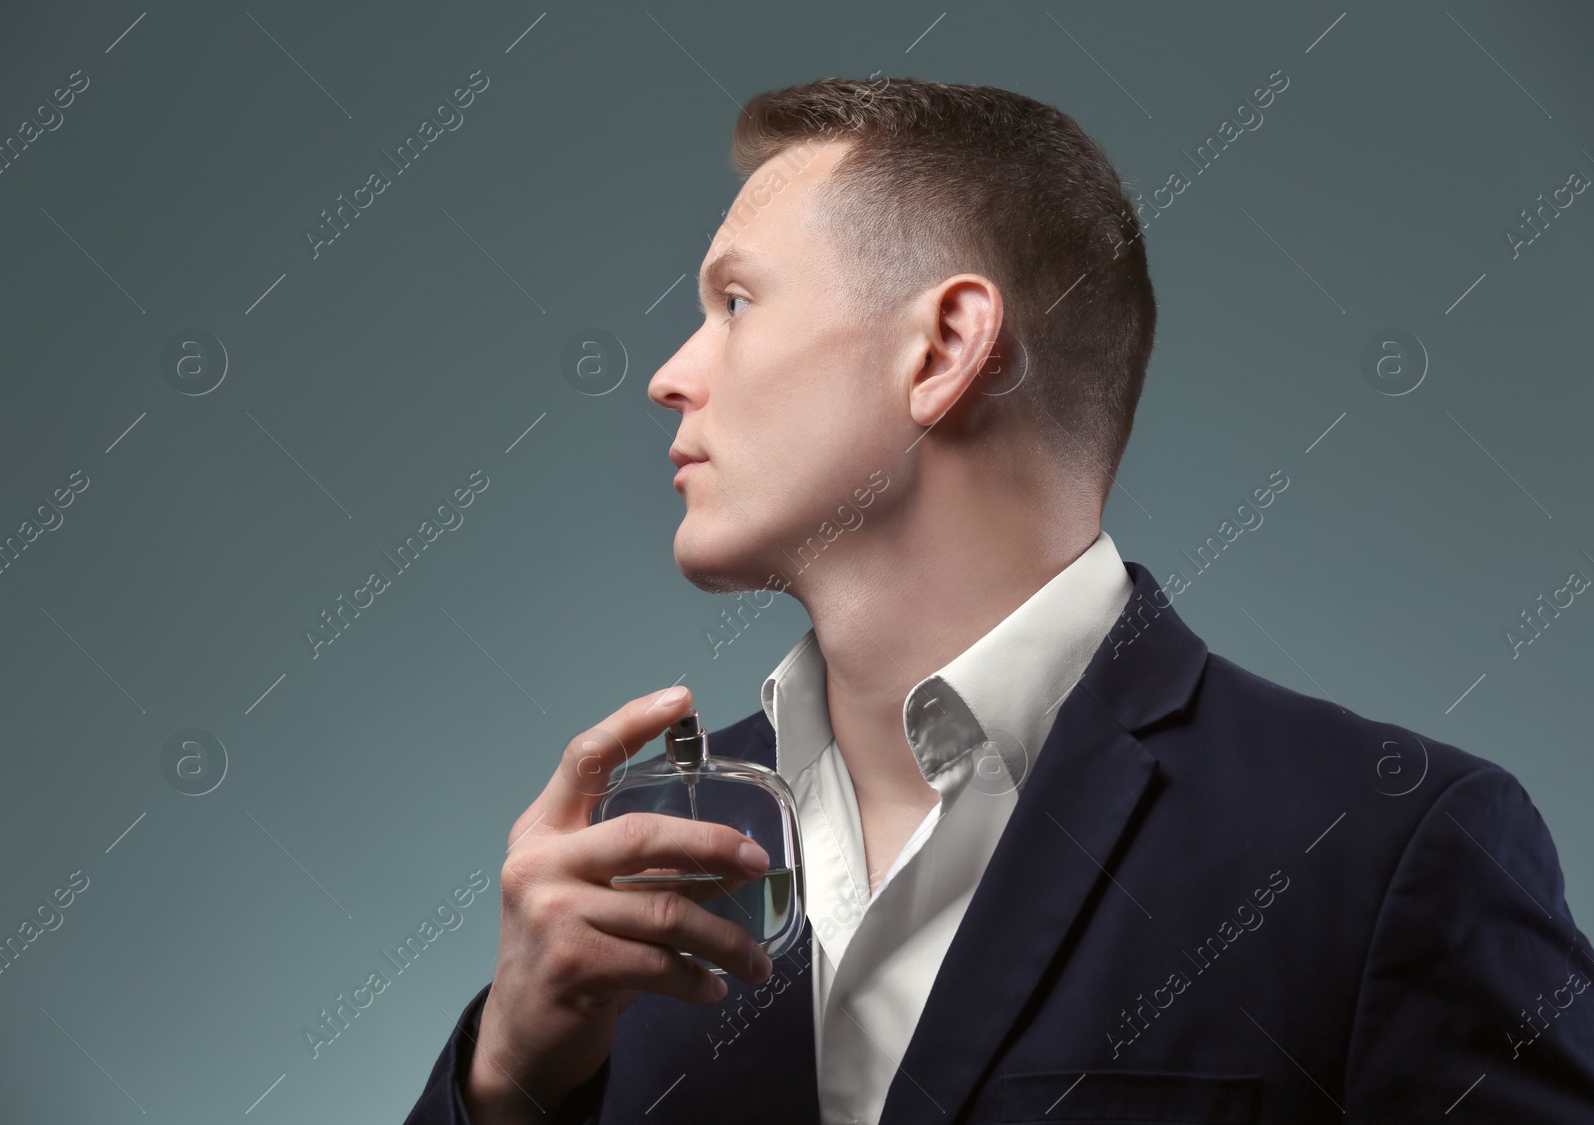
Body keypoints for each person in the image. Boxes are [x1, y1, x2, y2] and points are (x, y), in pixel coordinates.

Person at [405, 77, 1594, 1124]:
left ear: (943, 347)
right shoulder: (644, 871)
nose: (670, 374)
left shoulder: (1384, 849)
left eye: (735, 302)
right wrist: (507, 1085)